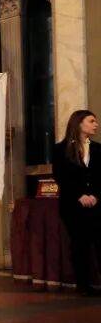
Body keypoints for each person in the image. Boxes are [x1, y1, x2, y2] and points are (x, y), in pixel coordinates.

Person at [52, 109, 101, 296]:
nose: (96, 125)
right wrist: (79, 195)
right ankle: (83, 285)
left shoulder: (98, 149)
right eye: (91, 121)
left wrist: (95, 195)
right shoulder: (60, 149)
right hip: (73, 205)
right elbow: (61, 176)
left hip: (97, 204)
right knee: (80, 244)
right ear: (79, 123)